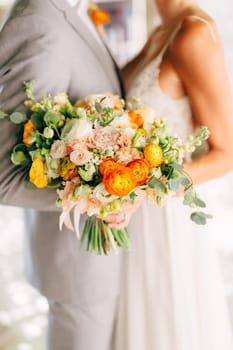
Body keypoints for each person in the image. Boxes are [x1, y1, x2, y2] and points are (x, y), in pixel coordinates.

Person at [0, 0, 124, 349]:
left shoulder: (73, 10)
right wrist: (102, 196)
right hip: (77, 262)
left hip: (98, 257)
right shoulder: (38, 22)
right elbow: (3, 176)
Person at [112, 1, 233, 349]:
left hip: (163, 215)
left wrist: (144, 188)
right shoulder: (162, 27)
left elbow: (226, 155)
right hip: (132, 211)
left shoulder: (193, 35)